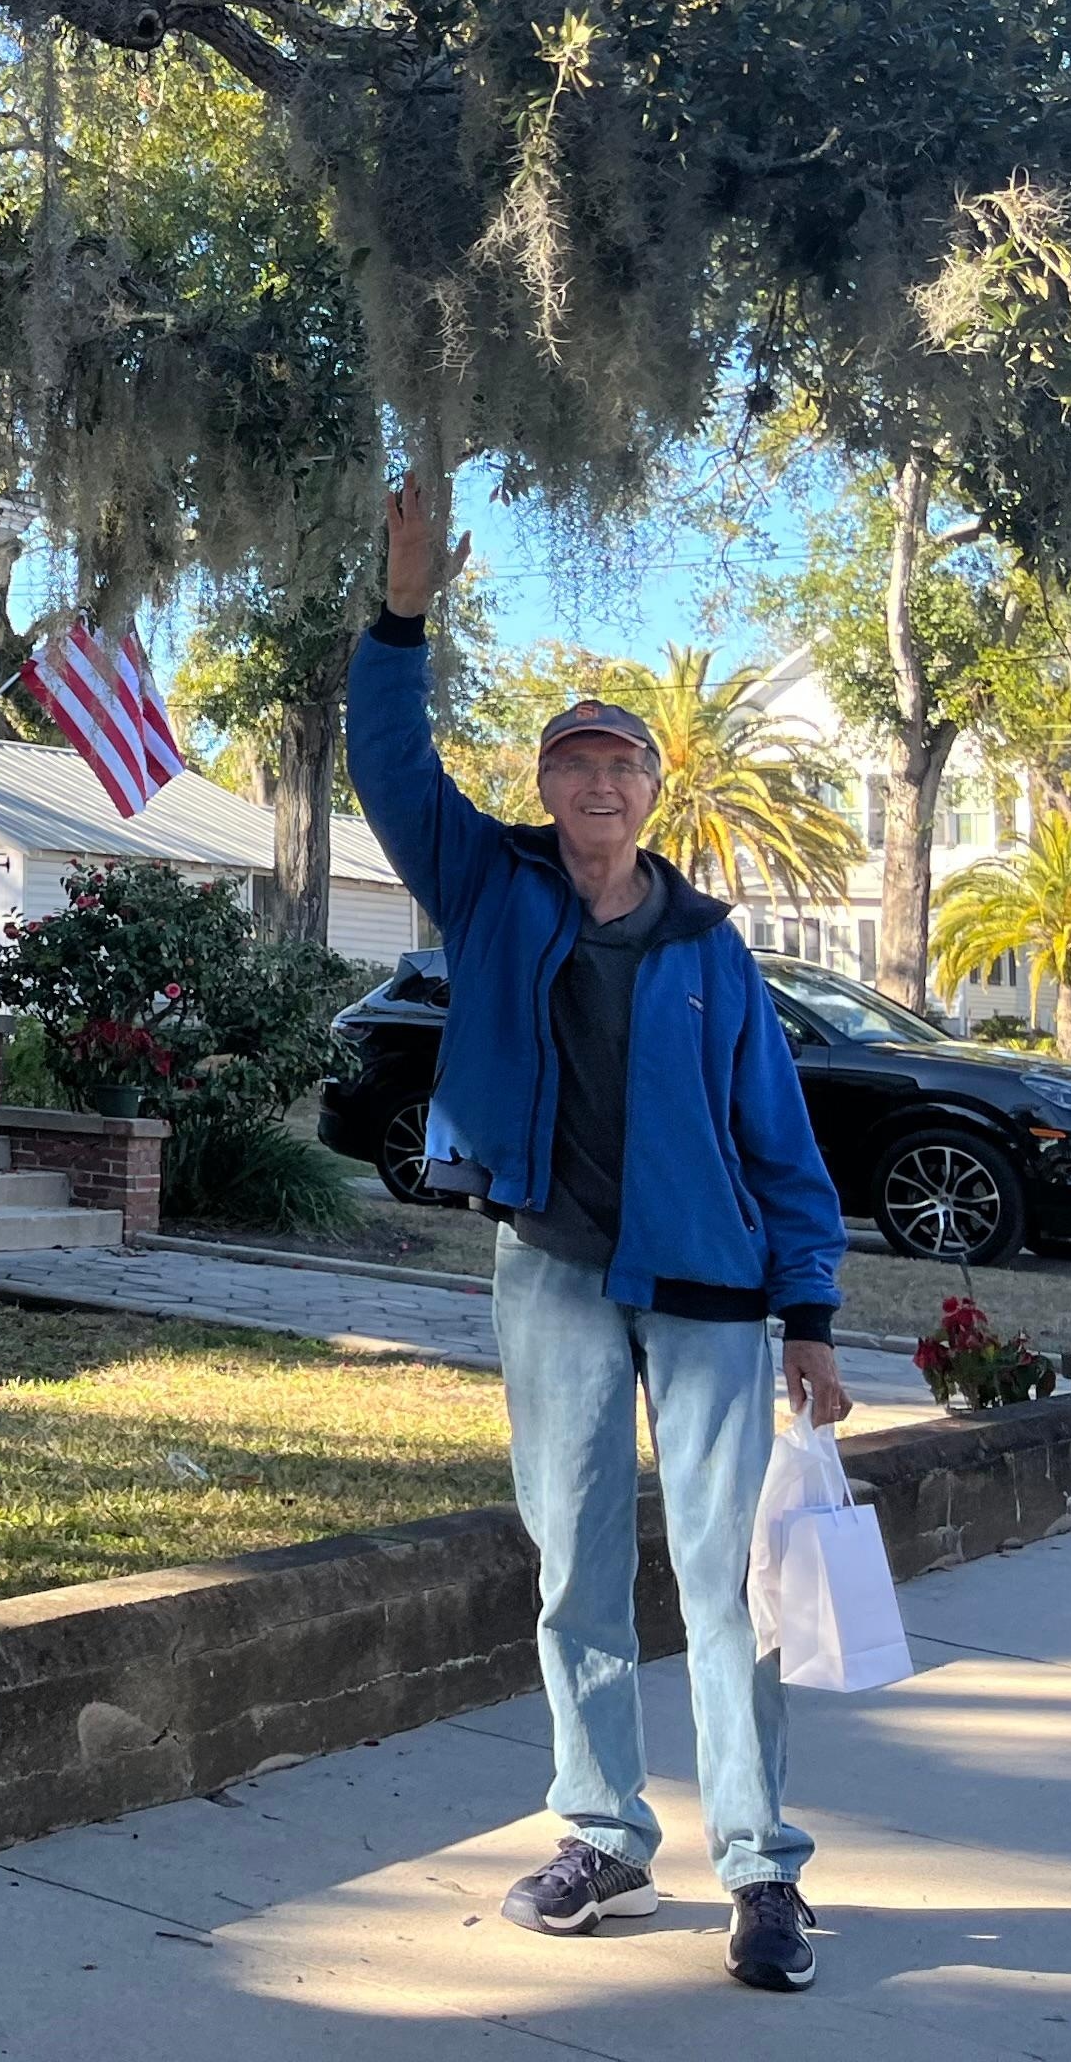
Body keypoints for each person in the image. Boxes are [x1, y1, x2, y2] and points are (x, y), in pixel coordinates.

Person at [346, 464, 852, 1995]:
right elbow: (387, 759)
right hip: (554, 1274)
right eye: (573, 767)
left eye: (619, 767)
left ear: (651, 790)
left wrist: (812, 1316)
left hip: (706, 1293)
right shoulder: (489, 885)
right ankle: (605, 1838)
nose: (597, 790)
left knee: (725, 1589)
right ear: (549, 788)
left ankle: (762, 1873)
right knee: (570, 1568)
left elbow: (781, 1139)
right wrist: (403, 611)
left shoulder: (711, 950)